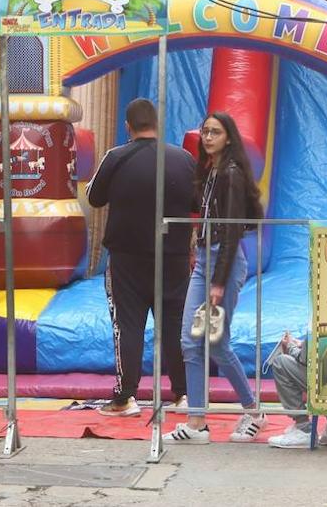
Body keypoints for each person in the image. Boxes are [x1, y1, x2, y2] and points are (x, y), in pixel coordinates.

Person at [87, 98, 194, 417]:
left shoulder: (116, 157)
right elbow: (198, 200)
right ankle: (183, 394)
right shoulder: (183, 159)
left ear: (127, 126)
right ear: (158, 124)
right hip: (173, 255)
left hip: (127, 257)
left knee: (128, 325)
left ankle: (125, 397)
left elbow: (94, 197)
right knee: (174, 325)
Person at [164, 112, 264, 445]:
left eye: (215, 132)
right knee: (190, 340)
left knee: (216, 342)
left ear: (228, 138)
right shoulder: (210, 172)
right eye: (205, 131)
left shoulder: (231, 175)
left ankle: (253, 409)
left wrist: (219, 281)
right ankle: (196, 420)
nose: (208, 137)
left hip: (224, 260)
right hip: (205, 258)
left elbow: (233, 230)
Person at [266, 332, 327, 449]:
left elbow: (305, 359)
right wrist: (304, 344)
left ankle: (303, 428)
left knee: (281, 363)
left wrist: (290, 346)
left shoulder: (322, 314)